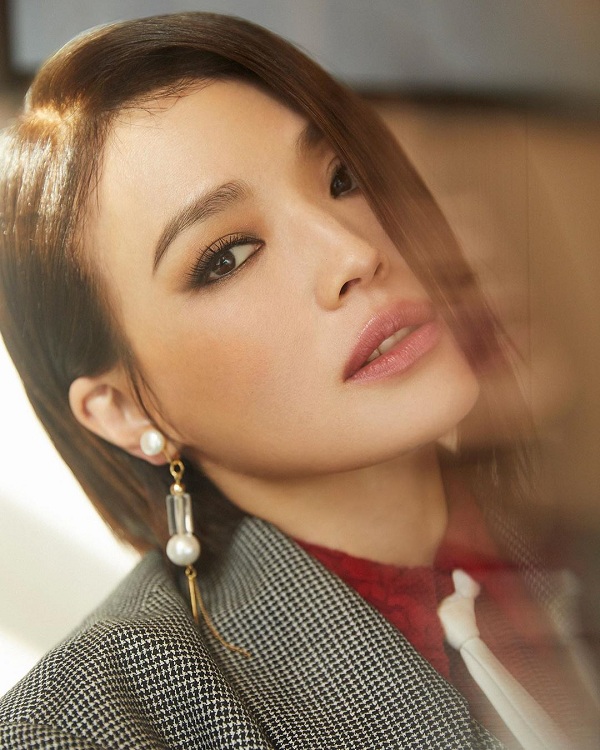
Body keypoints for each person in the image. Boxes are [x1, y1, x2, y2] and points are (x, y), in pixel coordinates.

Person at [0, 12, 597, 749]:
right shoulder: (84, 727)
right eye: (227, 256)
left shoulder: (564, 541)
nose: (353, 252)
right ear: (123, 410)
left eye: (343, 178)